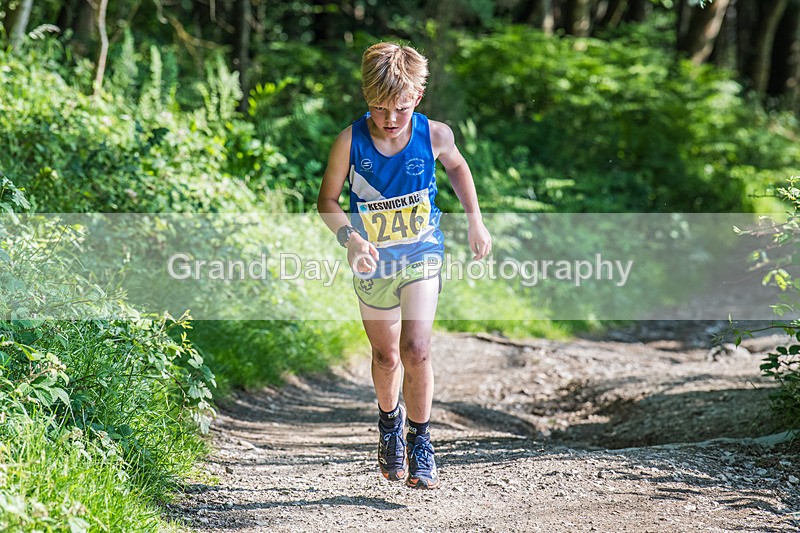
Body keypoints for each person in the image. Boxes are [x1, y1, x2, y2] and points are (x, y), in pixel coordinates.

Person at [317, 42, 491, 489]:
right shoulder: (350, 141)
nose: (389, 118)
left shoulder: (433, 134)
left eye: (398, 107)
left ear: (417, 96)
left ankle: (421, 440)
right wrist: (350, 238)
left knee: (416, 349)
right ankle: (389, 425)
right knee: (386, 354)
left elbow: (457, 167)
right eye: (378, 107)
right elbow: (327, 201)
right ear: (366, 100)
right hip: (372, 260)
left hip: (421, 252)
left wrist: (475, 219)